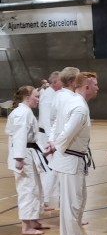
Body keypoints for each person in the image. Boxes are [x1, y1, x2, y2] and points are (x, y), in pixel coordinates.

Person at [49, 71, 99, 235]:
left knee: (80, 199)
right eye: (95, 85)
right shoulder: (79, 107)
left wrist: (52, 142)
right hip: (69, 159)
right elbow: (67, 132)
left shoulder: (74, 101)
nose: (98, 88)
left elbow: (56, 124)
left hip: (73, 158)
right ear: (87, 87)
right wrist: (55, 146)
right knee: (72, 202)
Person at [6, 85, 50, 235]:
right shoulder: (21, 113)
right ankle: (26, 227)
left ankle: (34, 221)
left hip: (29, 153)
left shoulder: (25, 111)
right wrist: (19, 158)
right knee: (27, 189)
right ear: (27, 97)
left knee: (35, 188)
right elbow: (19, 136)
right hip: (23, 155)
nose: (38, 99)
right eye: (36, 96)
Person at [37, 70, 62, 209]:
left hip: (50, 135)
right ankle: (44, 199)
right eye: (61, 81)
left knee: (52, 168)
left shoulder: (53, 93)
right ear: (55, 82)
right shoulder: (48, 95)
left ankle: (48, 198)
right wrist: (50, 140)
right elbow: (47, 119)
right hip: (46, 136)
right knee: (50, 167)